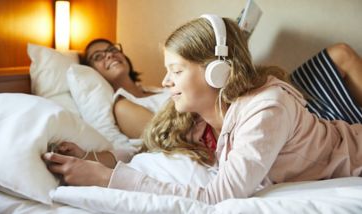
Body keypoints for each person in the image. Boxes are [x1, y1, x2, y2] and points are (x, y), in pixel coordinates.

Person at [43, 15, 362, 204]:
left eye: (176, 70)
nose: (166, 81)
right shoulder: (193, 116)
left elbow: (218, 196)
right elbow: (145, 151)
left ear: (216, 72)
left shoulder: (267, 107)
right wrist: (91, 159)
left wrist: (107, 179)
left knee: (338, 56)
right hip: (311, 136)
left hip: (354, 151)